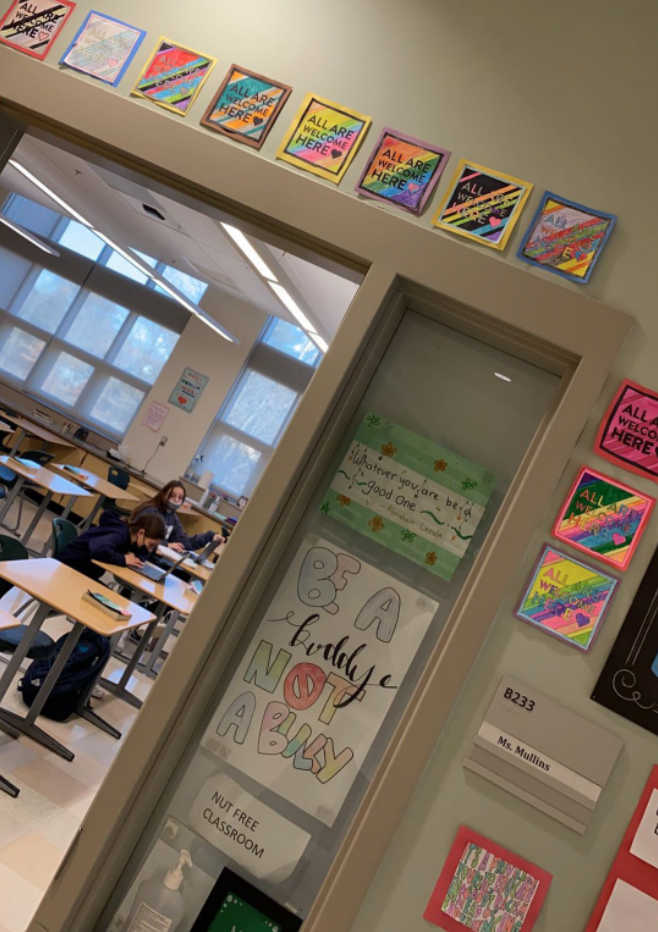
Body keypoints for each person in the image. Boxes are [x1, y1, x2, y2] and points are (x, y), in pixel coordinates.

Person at [58, 511, 166, 581]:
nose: (150, 550)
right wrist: (123, 558)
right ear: (141, 533)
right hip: (70, 569)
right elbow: (97, 548)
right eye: (151, 545)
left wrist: (136, 555)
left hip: (82, 570)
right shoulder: (121, 534)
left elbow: (142, 555)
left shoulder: (132, 539)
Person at [131, 480, 225, 553]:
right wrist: (167, 545)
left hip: (155, 555)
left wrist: (210, 536)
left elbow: (185, 542)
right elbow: (140, 537)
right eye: (172, 496)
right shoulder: (151, 511)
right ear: (164, 495)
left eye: (180, 498)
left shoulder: (173, 518)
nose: (176, 500)